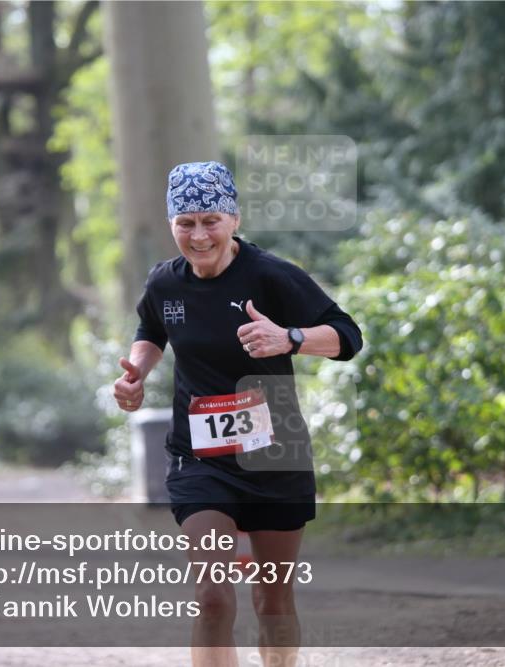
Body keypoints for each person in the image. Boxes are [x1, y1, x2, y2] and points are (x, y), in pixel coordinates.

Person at [113, 161, 362, 667]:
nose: (199, 234)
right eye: (186, 223)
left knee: (272, 602)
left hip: (275, 455)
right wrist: (135, 373)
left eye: (211, 220)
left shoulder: (272, 277)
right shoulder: (165, 283)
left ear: (234, 219)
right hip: (200, 458)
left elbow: (348, 337)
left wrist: (289, 338)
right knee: (212, 596)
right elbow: (151, 331)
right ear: (171, 225)